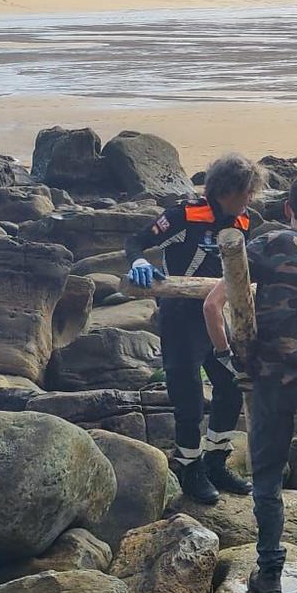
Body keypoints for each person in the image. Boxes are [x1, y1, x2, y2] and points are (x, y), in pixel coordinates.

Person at [201, 169, 297, 593]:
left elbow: (214, 306)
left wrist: (227, 357)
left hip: (270, 379)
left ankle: (268, 574)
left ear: (287, 208)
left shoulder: (263, 243)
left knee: (267, 477)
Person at [127, 153, 262, 504]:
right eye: (248, 191)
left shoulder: (244, 223)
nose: (252, 198)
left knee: (231, 385)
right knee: (188, 399)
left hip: (214, 316)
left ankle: (216, 459)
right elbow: (135, 242)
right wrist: (139, 261)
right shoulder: (184, 216)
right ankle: (189, 467)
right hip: (179, 315)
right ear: (228, 189)